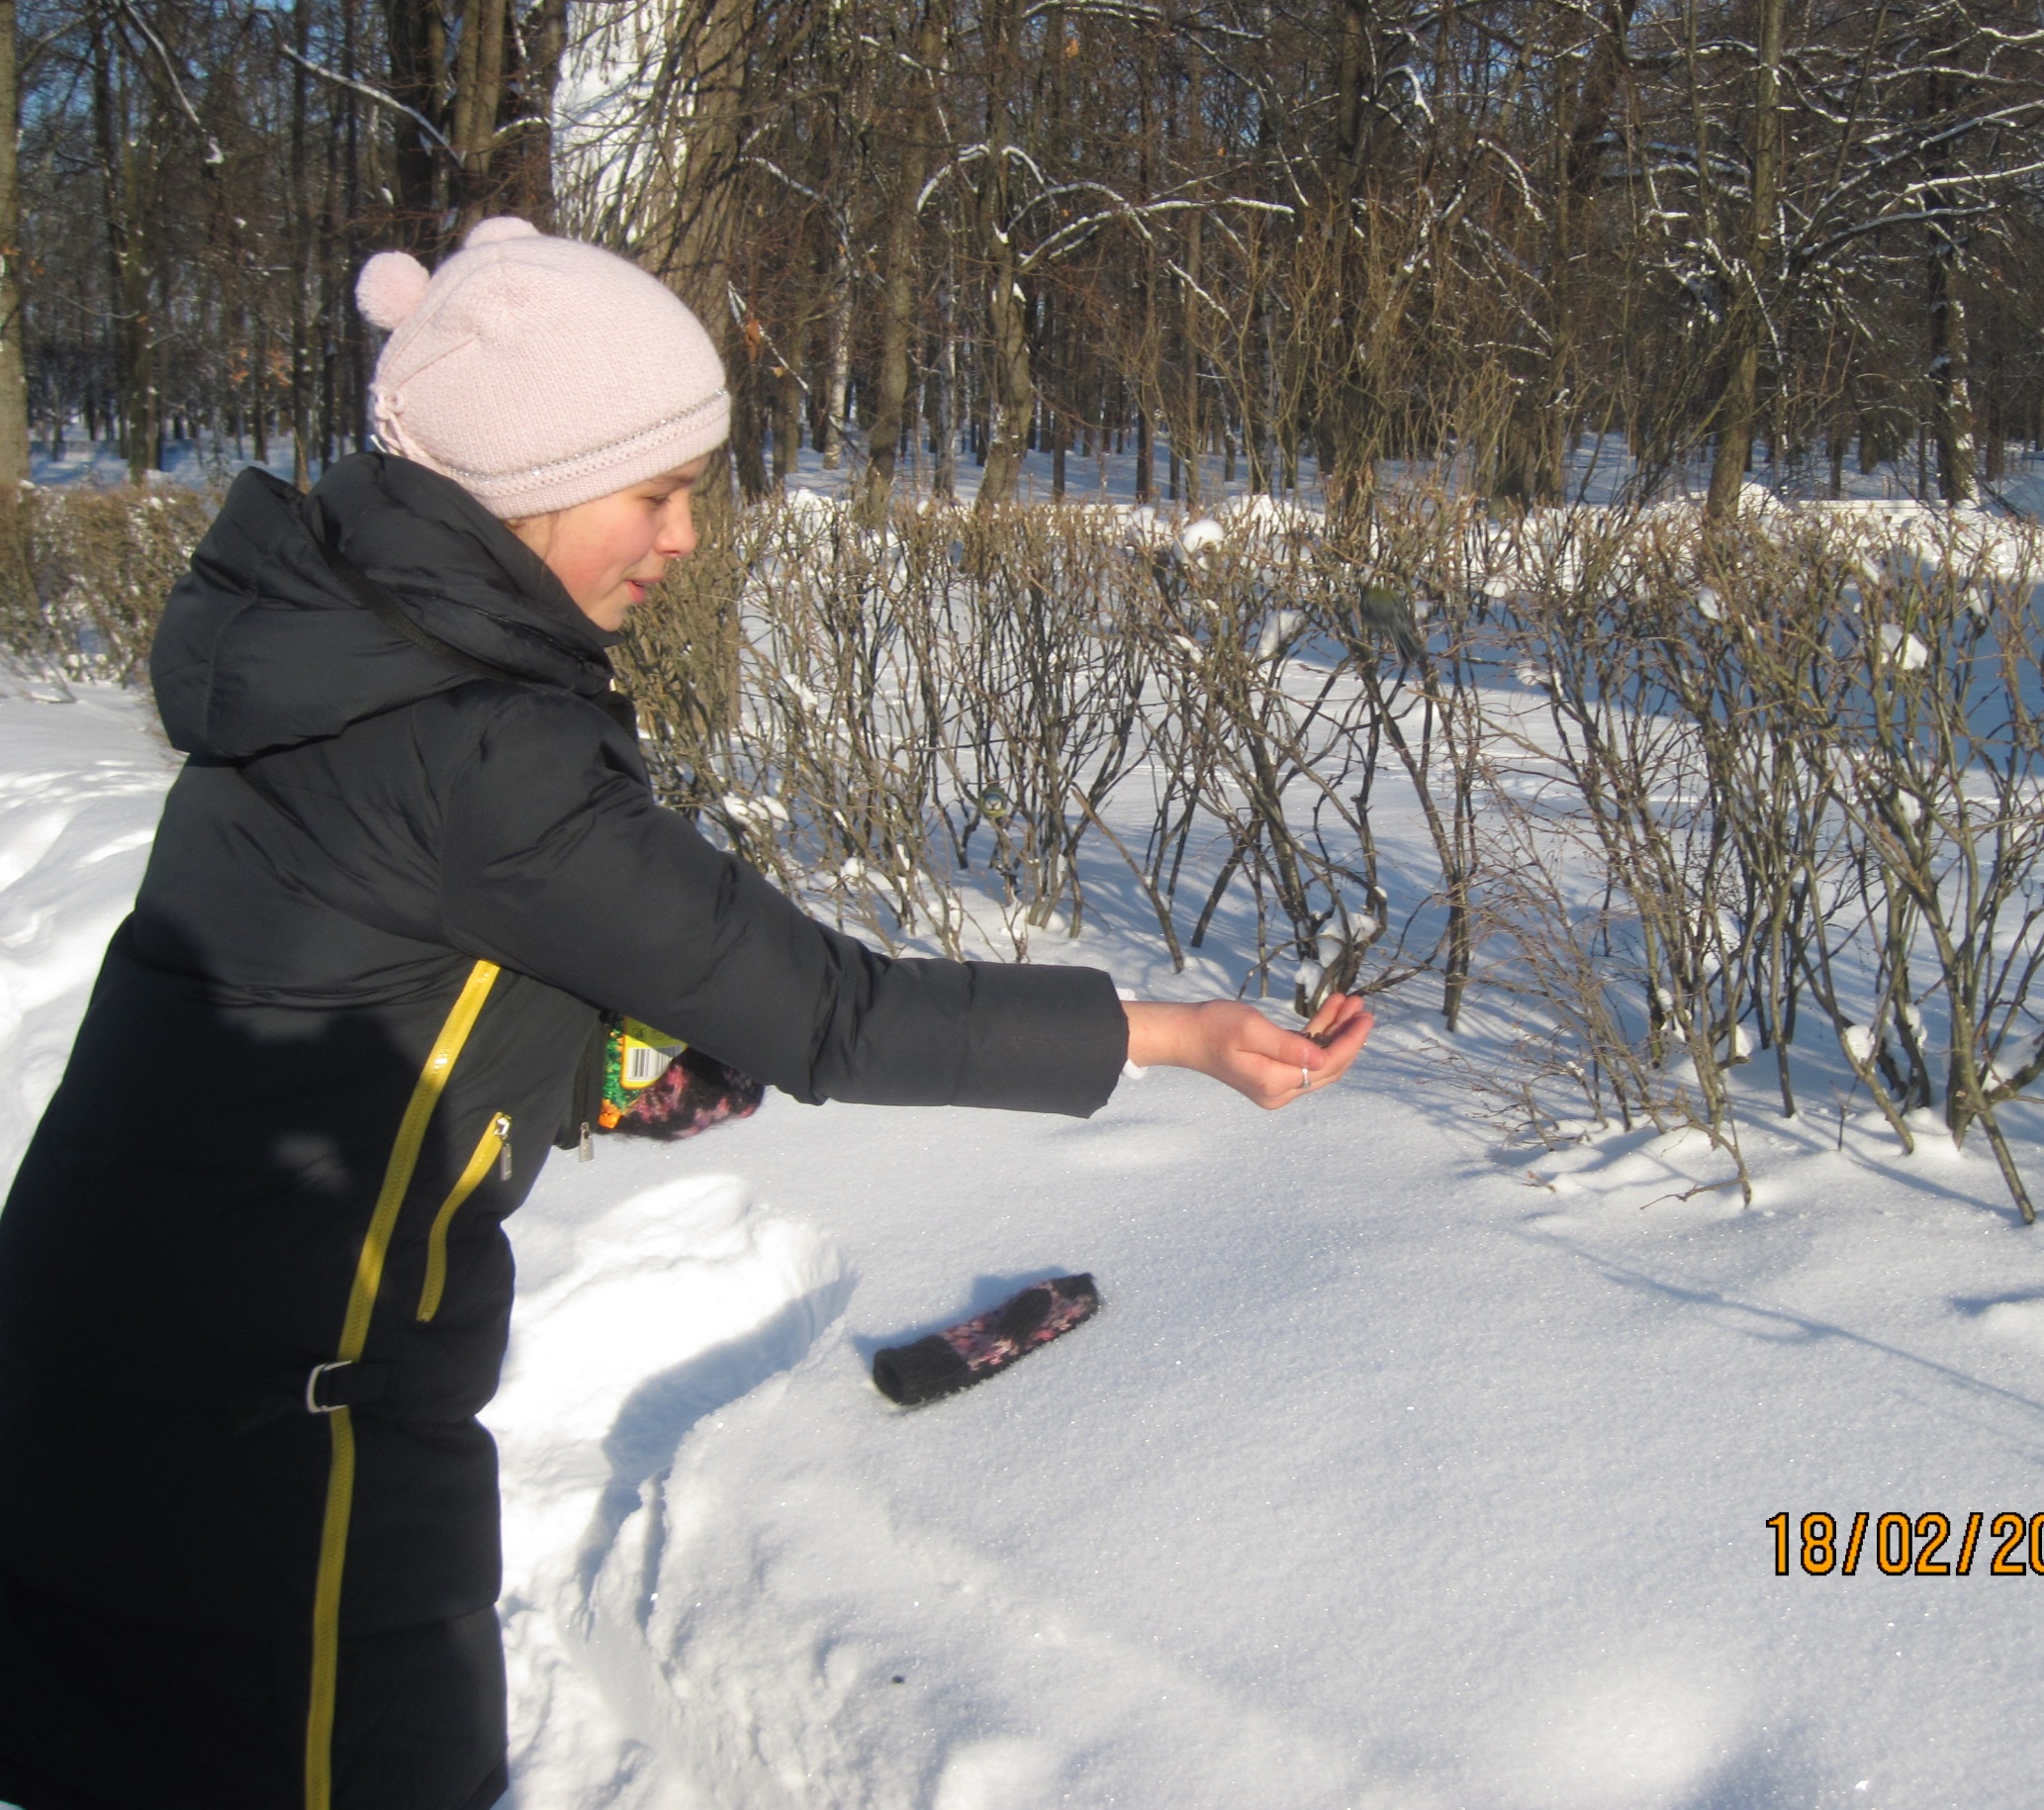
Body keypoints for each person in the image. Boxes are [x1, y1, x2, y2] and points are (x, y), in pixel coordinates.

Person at [0, 217, 1371, 1810]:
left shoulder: (338, 655)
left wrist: (584, 1067)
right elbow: (836, 1014)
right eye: (655, 492)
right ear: (528, 481)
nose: (685, 538)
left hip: (113, 1365)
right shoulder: (482, 746)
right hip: (268, 1439)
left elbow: (355, 975)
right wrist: (1174, 1035)